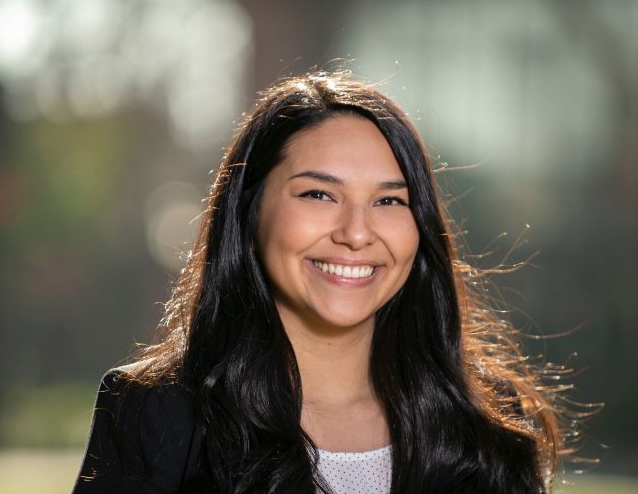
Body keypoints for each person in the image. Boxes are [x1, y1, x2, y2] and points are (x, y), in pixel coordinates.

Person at [73, 71, 572, 493]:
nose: (356, 234)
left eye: (389, 201)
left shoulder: (489, 422)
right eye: (318, 194)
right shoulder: (157, 415)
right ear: (250, 213)